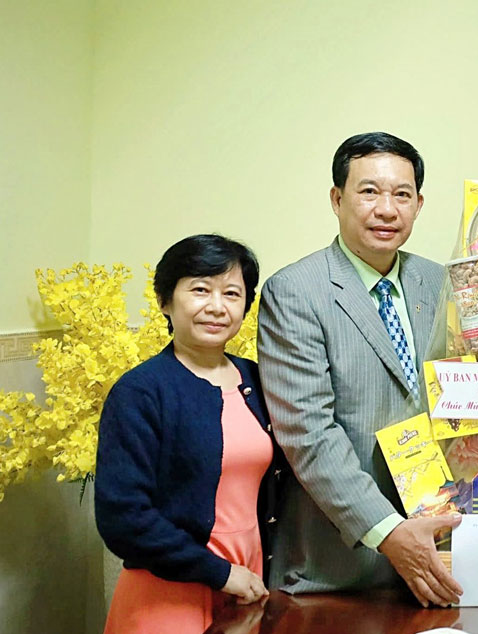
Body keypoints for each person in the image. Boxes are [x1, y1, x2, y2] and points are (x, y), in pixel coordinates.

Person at [257, 131, 462, 607]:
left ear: (418, 203)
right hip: (337, 567)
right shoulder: (295, 291)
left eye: (402, 195)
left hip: (440, 553)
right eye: (369, 191)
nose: (387, 209)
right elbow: (308, 433)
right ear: (337, 198)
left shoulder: (444, 283)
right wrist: (389, 532)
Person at [96, 234, 281, 633]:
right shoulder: (140, 392)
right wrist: (218, 572)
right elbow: (123, 518)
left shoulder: (258, 379)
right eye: (200, 290)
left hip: (247, 585)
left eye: (232, 293)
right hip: (168, 592)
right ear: (165, 300)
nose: (217, 307)